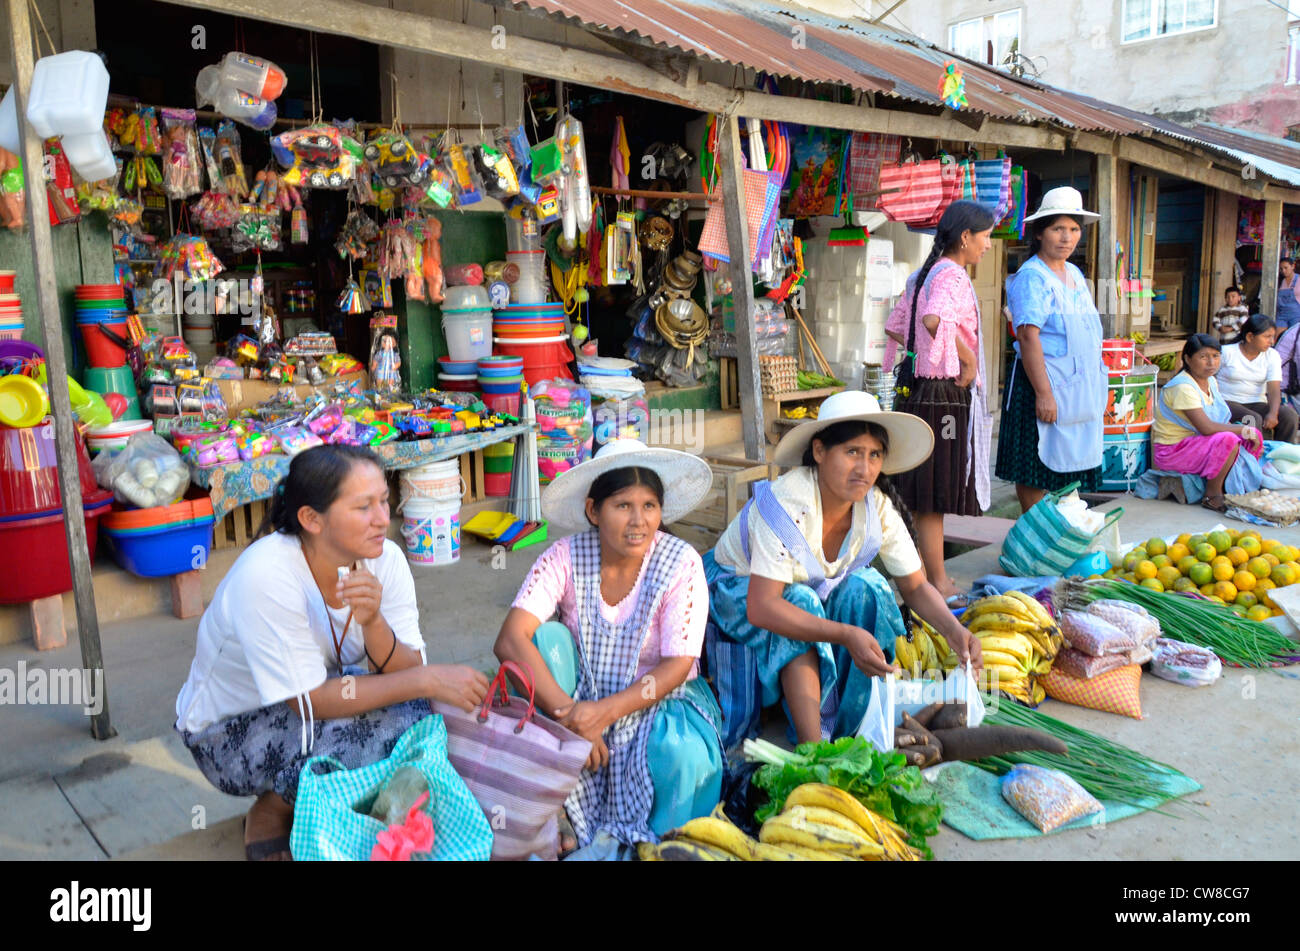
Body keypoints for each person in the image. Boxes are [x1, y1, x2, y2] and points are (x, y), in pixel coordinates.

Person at [175, 445, 490, 861]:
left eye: (384, 499)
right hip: (230, 733)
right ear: (311, 519)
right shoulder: (267, 575)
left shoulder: (385, 559)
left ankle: (323, 807)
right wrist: (428, 680)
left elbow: (407, 666)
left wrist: (374, 622)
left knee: (420, 720)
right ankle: (274, 808)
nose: (383, 518)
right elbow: (311, 702)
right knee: (387, 736)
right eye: (363, 506)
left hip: (314, 701)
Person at [702, 390, 983, 754]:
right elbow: (762, 606)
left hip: (802, 593)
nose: (864, 469)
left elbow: (914, 586)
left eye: (874, 455)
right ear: (819, 451)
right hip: (734, 591)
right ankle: (814, 749)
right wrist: (845, 633)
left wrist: (955, 632)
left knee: (868, 587)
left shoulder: (875, 507)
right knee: (799, 600)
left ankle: (853, 726)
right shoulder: (791, 502)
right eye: (852, 452)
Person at [493, 440, 723, 858]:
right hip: (579, 700)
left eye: (650, 505)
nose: (639, 521)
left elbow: (677, 666)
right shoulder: (564, 555)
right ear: (593, 510)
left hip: (660, 699)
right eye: (622, 506)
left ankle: (662, 842)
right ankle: (566, 824)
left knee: (679, 755)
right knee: (539, 654)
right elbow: (510, 639)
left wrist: (606, 712)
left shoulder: (681, 562)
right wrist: (570, 716)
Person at [882, 199, 995, 603]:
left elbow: (897, 328)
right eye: (985, 237)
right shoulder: (952, 276)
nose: (988, 246)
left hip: (915, 391)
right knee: (932, 495)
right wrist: (964, 360)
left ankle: (920, 576)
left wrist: (924, 355)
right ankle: (937, 580)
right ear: (965, 237)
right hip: (942, 394)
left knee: (918, 488)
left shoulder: (922, 274)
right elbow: (933, 319)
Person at [994, 186, 1106, 512]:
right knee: (1033, 467)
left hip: (1073, 386)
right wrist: (1044, 393)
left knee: (1066, 462)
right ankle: (1038, 532)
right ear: (1040, 233)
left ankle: (1060, 531)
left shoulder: (1073, 273)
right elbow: (1028, 337)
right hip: (1041, 383)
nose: (1066, 237)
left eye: (1073, 229)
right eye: (1058, 228)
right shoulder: (1032, 277)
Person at [1153, 334, 1263, 512]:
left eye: (1216, 356)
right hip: (1173, 451)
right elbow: (1206, 428)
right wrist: (1242, 430)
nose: (1211, 363)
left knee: (1251, 434)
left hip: (1197, 444)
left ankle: (1233, 482)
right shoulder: (1183, 387)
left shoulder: (1211, 381)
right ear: (1188, 359)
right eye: (1203, 357)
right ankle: (1212, 494)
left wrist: (1246, 432)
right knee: (1229, 438)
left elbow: (1219, 419)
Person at [1216, 313, 1298, 443]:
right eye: (1267, 337)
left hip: (1257, 403)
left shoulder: (1272, 356)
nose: (1271, 342)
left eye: (1272, 337)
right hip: (1227, 401)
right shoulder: (1226, 352)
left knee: (1289, 416)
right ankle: (1255, 457)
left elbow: (1274, 388)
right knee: (1253, 418)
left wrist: (1273, 413)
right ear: (1250, 337)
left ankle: (1279, 454)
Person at [1276, 258, 1300, 332]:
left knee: (1293, 338)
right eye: (1281, 269)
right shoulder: (1279, 281)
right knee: (1279, 339)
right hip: (1281, 315)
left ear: (1293, 266)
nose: (1283, 271)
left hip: (1296, 315)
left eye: (1286, 268)